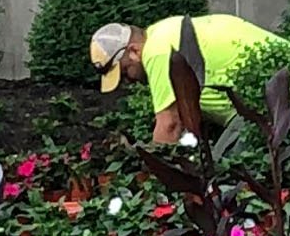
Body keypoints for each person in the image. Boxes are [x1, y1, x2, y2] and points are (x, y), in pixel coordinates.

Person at [88, 12, 277, 144]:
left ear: (134, 51)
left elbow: (169, 124)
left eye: (125, 72)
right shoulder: (161, 32)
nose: (127, 81)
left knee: (229, 177)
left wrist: (154, 183)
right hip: (264, 101)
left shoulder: (156, 51)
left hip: (265, 107)